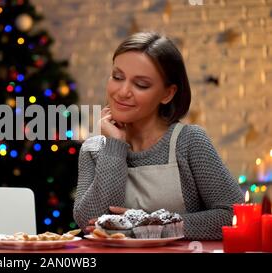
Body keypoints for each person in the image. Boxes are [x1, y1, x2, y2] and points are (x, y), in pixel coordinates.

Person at [73, 32, 243, 240]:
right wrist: (115, 146)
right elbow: (90, 223)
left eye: (141, 84)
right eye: (117, 77)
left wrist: (148, 223)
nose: (122, 92)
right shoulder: (94, 149)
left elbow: (233, 215)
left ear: (167, 94)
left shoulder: (189, 142)